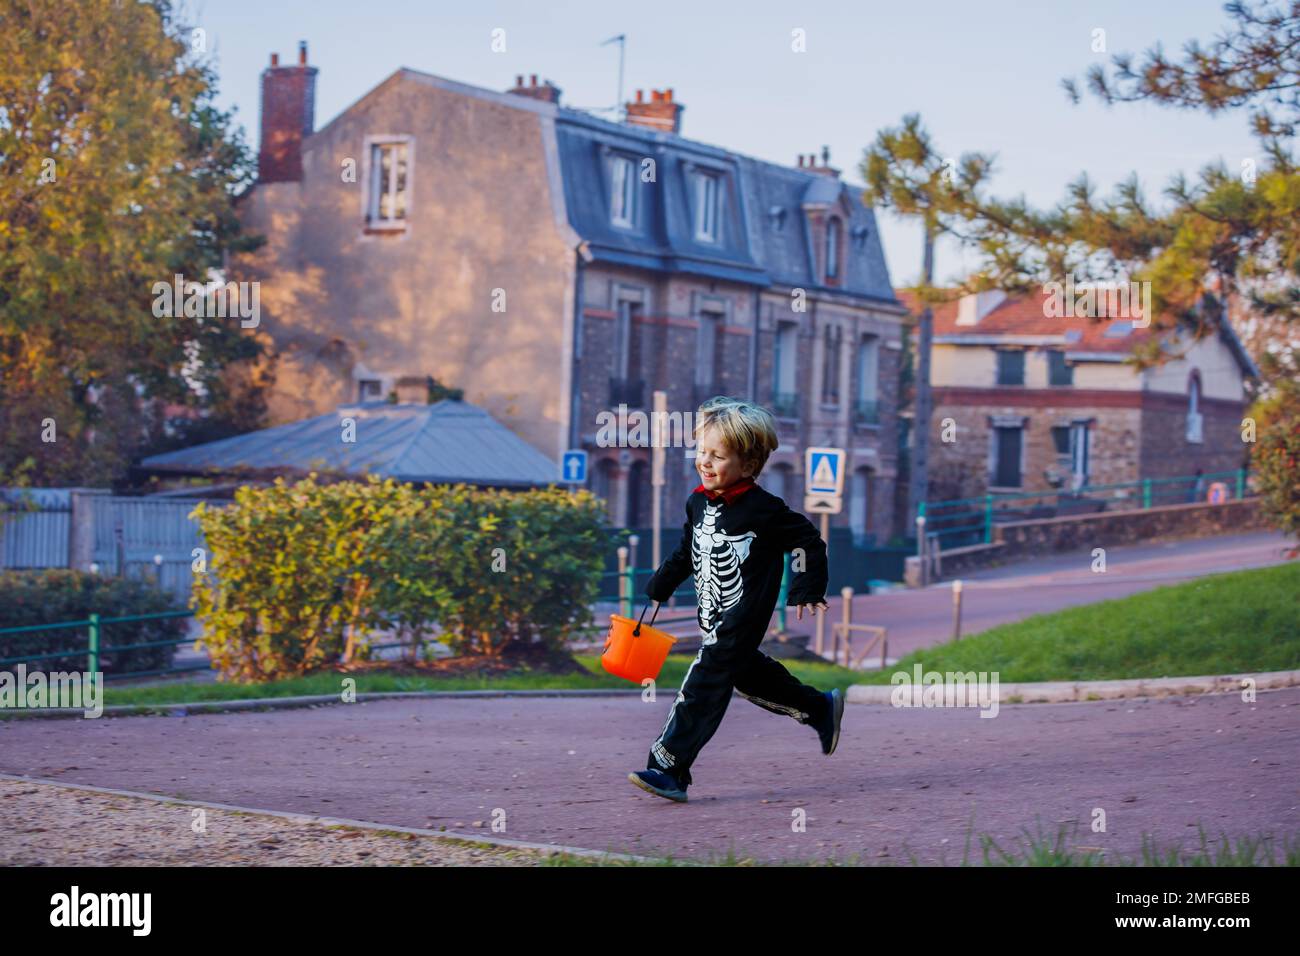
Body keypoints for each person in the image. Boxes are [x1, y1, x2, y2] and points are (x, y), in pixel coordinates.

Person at [627, 397, 843, 803]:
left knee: (705, 677)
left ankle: (669, 767)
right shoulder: (696, 502)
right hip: (713, 617)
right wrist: (660, 585)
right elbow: (685, 550)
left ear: (747, 465)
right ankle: (819, 709)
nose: (705, 462)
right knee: (746, 675)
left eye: (718, 456)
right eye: (701, 452)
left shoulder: (763, 509)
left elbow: (807, 539)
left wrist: (806, 587)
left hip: (743, 615)